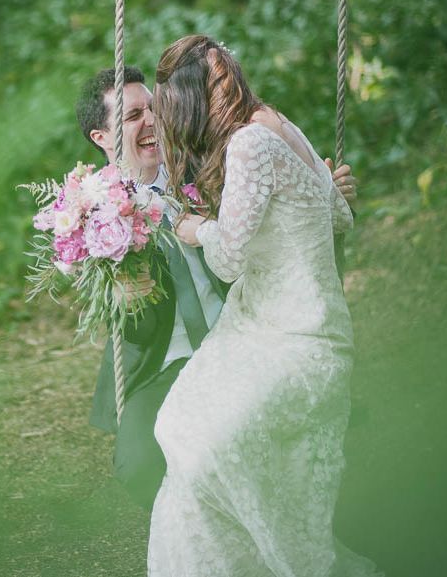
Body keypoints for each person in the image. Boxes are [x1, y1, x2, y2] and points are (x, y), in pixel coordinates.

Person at [147, 35, 382, 576]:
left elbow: (228, 260)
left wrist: (190, 225)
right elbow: (339, 219)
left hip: (293, 338)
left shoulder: (248, 145)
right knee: (182, 431)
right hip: (273, 325)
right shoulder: (280, 124)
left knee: (197, 440)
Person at [77, 65, 358, 513]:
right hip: (163, 357)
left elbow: (282, 225)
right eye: (132, 116)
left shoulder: (211, 163)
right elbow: (123, 325)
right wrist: (122, 296)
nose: (150, 121)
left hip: (245, 333)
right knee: (139, 462)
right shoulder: (91, 210)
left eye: (153, 108)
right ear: (101, 138)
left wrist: (322, 194)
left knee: (285, 427)